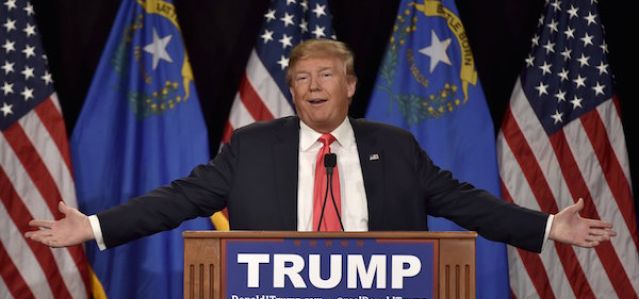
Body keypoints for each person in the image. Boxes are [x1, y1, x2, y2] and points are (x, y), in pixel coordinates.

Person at [26, 39, 615, 251]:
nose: (313, 86)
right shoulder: (252, 147)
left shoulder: (396, 146)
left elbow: (463, 202)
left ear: (350, 86)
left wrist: (544, 228)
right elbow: (179, 199)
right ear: (290, 89)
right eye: (302, 78)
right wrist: (95, 227)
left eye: (326, 75)